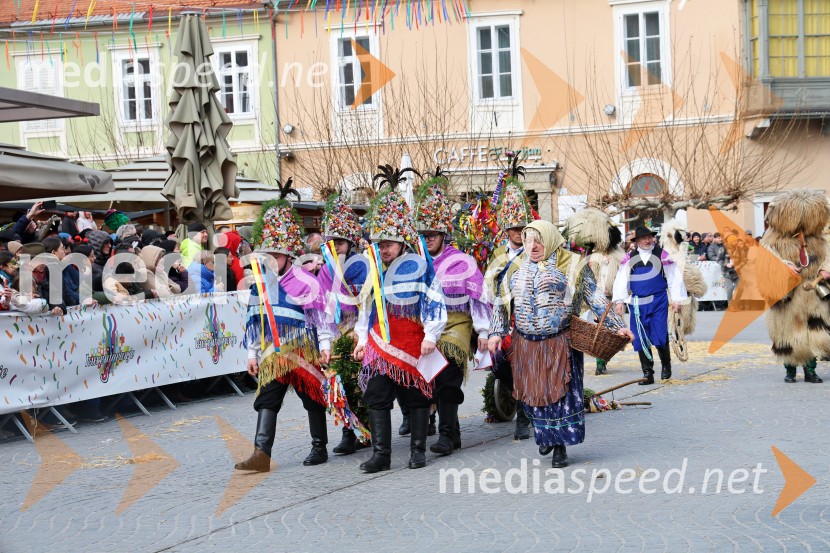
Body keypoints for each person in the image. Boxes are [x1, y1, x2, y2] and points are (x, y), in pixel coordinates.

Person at [489, 220, 633, 468]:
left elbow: (595, 297)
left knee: (559, 396)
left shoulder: (573, 265)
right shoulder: (515, 267)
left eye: (539, 240)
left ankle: (559, 447)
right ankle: (545, 435)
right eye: (528, 240)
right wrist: (496, 332)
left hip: (559, 342)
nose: (533, 246)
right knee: (533, 394)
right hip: (526, 343)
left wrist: (616, 325)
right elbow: (501, 302)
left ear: (552, 239)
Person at [352, 167, 447, 472]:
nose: (385, 249)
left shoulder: (420, 266)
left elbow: (434, 301)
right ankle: (381, 455)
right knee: (376, 396)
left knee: (416, 396)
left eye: (390, 243)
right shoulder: (373, 269)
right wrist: (362, 339)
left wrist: (432, 336)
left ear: (403, 243)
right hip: (381, 343)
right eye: (381, 244)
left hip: (413, 341)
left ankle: (417, 450)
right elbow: (365, 310)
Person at [235, 196, 336, 472]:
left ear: (289, 256)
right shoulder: (261, 284)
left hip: (303, 348)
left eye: (276, 256)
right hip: (273, 351)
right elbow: (255, 321)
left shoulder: (307, 281)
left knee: (312, 396)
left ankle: (319, 447)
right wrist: (252, 354)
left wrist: (325, 345)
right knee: (267, 397)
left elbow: (321, 316)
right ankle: (261, 454)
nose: (271, 261)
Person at [415, 172, 491, 455]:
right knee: (422, 376)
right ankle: (448, 429)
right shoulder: (413, 262)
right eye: (424, 235)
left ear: (443, 235)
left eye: (433, 234)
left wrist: (483, 331)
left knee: (447, 373)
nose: (428, 239)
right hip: (423, 326)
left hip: (456, 322)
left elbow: (479, 297)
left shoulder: (461, 261)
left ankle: (447, 436)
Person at [316, 193, 370, 455]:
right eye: (331, 242)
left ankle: (367, 427)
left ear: (350, 242)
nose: (336, 246)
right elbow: (323, 309)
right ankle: (349, 430)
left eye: (340, 241)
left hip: (361, 324)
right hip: (337, 326)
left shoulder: (363, 266)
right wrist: (324, 341)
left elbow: (368, 303)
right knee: (338, 379)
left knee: (361, 378)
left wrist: (362, 335)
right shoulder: (325, 271)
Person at [758, 190, 830, 384]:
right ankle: (790, 370)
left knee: (812, 333)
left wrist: (825, 269)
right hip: (786, 295)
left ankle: (810, 370)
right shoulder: (772, 240)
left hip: (812, 295)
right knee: (786, 332)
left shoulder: (819, 240)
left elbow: (828, 257)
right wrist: (784, 265)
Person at [484, 179, 537, 440]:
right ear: (506, 229)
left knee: (524, 364)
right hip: (501, 318)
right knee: (500, 365)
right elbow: (488, 288)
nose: (519, 232)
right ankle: (514, 390)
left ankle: (524, 419)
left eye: (522, 228)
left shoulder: (536, 254)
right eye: (514, 228)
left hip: (528, 317)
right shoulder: (497, 255)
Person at [612, 226, 687, 384]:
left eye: (649, 237)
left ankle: (666, 367)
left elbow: (674, 277)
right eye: (643, 238)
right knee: (639, 337)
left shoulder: (662, 254)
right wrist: (619, 301)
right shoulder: (629, 257)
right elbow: (621, 279)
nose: (647, 240)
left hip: (658, 300)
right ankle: (647, 373)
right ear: (637, 241)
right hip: (638, 303)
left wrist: (677, 299)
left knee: (660, 334)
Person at [562, 208, 625, 376]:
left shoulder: (618, 256)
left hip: (608, 297)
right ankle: (598, 360)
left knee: (605, 329)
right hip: (588, 299)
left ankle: (601, 361)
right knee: (592, 329)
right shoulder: (584, 257)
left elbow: (623, 278)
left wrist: (620, 299)